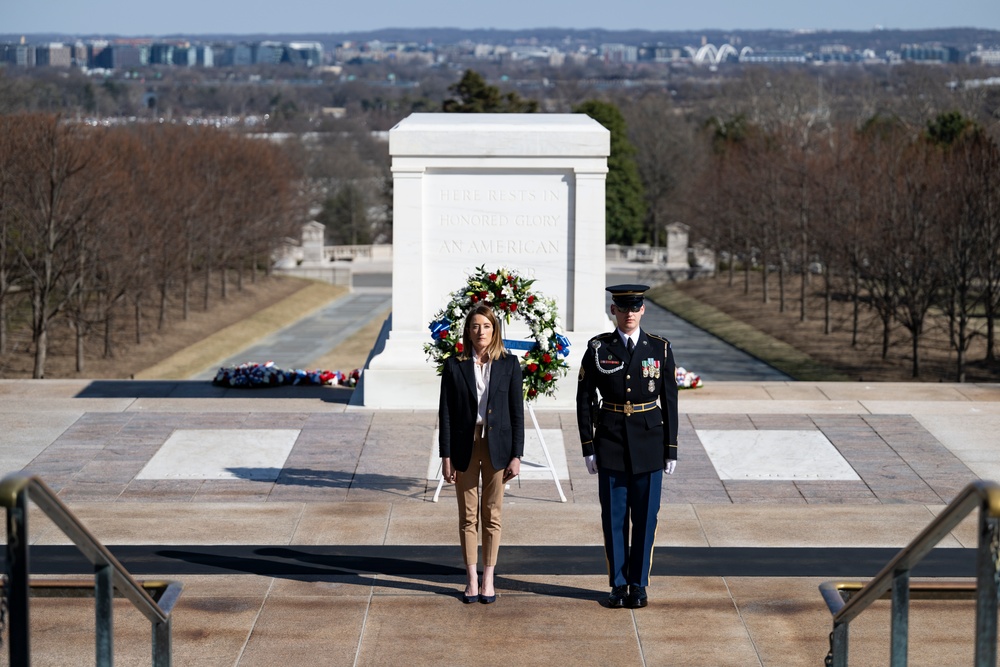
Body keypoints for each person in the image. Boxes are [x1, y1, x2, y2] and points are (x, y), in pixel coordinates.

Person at [576, 284, 679, 609]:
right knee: (615, 517)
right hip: (611, 441)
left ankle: (639, 583)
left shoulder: (659, 349)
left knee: (647, 517)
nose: (629, 314)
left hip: (649, 441)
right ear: (613, 311)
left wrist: (671, 447)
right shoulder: (597, 348)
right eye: (623, 308)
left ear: (643, 310)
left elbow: (670, 400)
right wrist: (588, 445)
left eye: (635, 308)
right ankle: (618, 585)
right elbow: (583, 398)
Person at [438, 303, 524, 604]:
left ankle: (489, 577)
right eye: (475, 326)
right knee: (468, 515)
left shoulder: (509, 364)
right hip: (465, 444)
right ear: (468, 330)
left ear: (495, 329)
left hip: (497, 446)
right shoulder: (454, 365)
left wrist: (517, 455)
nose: (480, 332)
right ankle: (471, 578)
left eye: (486, 326)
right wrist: (446, 457)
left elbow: (517, 414)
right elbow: (445, 413)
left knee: (493, 513)